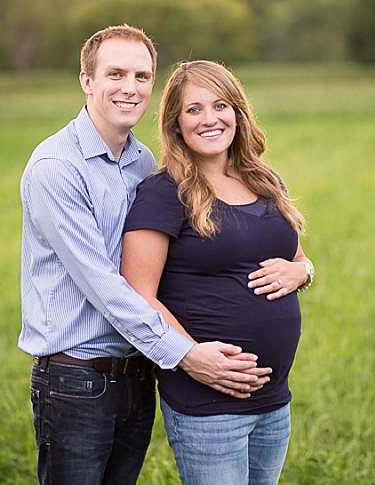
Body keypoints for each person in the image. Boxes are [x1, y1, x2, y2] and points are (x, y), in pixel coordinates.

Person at [18, 26, 273, 485]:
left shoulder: (141, 163)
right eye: (115, 74)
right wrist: (188, 355)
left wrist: (300, 267)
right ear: (86, 80)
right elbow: (105, 285)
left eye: (142, 75)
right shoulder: (57, 167)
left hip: (137, 375)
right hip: (78, 378)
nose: (130, 88)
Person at [121, 60, 315, 485]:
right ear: (175, 123)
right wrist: (193, 358)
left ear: (238, 113)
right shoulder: (163, 193)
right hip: (208, 403)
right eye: (193, 110)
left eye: (220, 105)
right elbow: (137, 295)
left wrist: (304, 273)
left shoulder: (265, 180)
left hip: (274, 399)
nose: (209, 119)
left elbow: (297, 258)